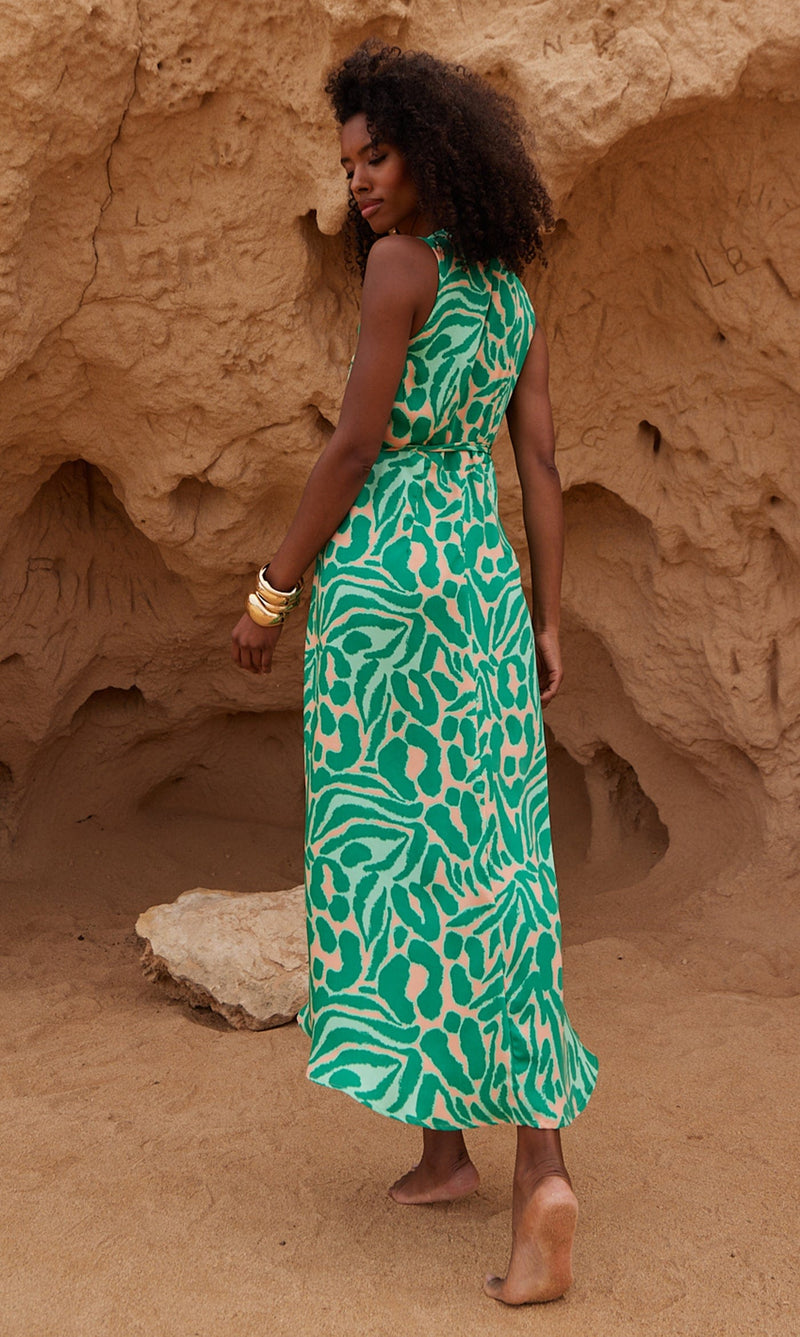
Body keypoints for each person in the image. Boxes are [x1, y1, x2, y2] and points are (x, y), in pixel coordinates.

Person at [231, 41, 598, 1305]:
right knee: (490, 852)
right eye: (347, 168)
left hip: (385, 586)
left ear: (430, 154)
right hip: (482, 586)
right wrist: (547, 621)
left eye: (375, 159)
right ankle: (471, 1152)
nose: (361, 189)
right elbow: (540, 472)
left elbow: (349, 447)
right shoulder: (507, 292)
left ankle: (513, 1158)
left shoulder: (401, 272)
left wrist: (270, 590)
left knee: (388, 854)